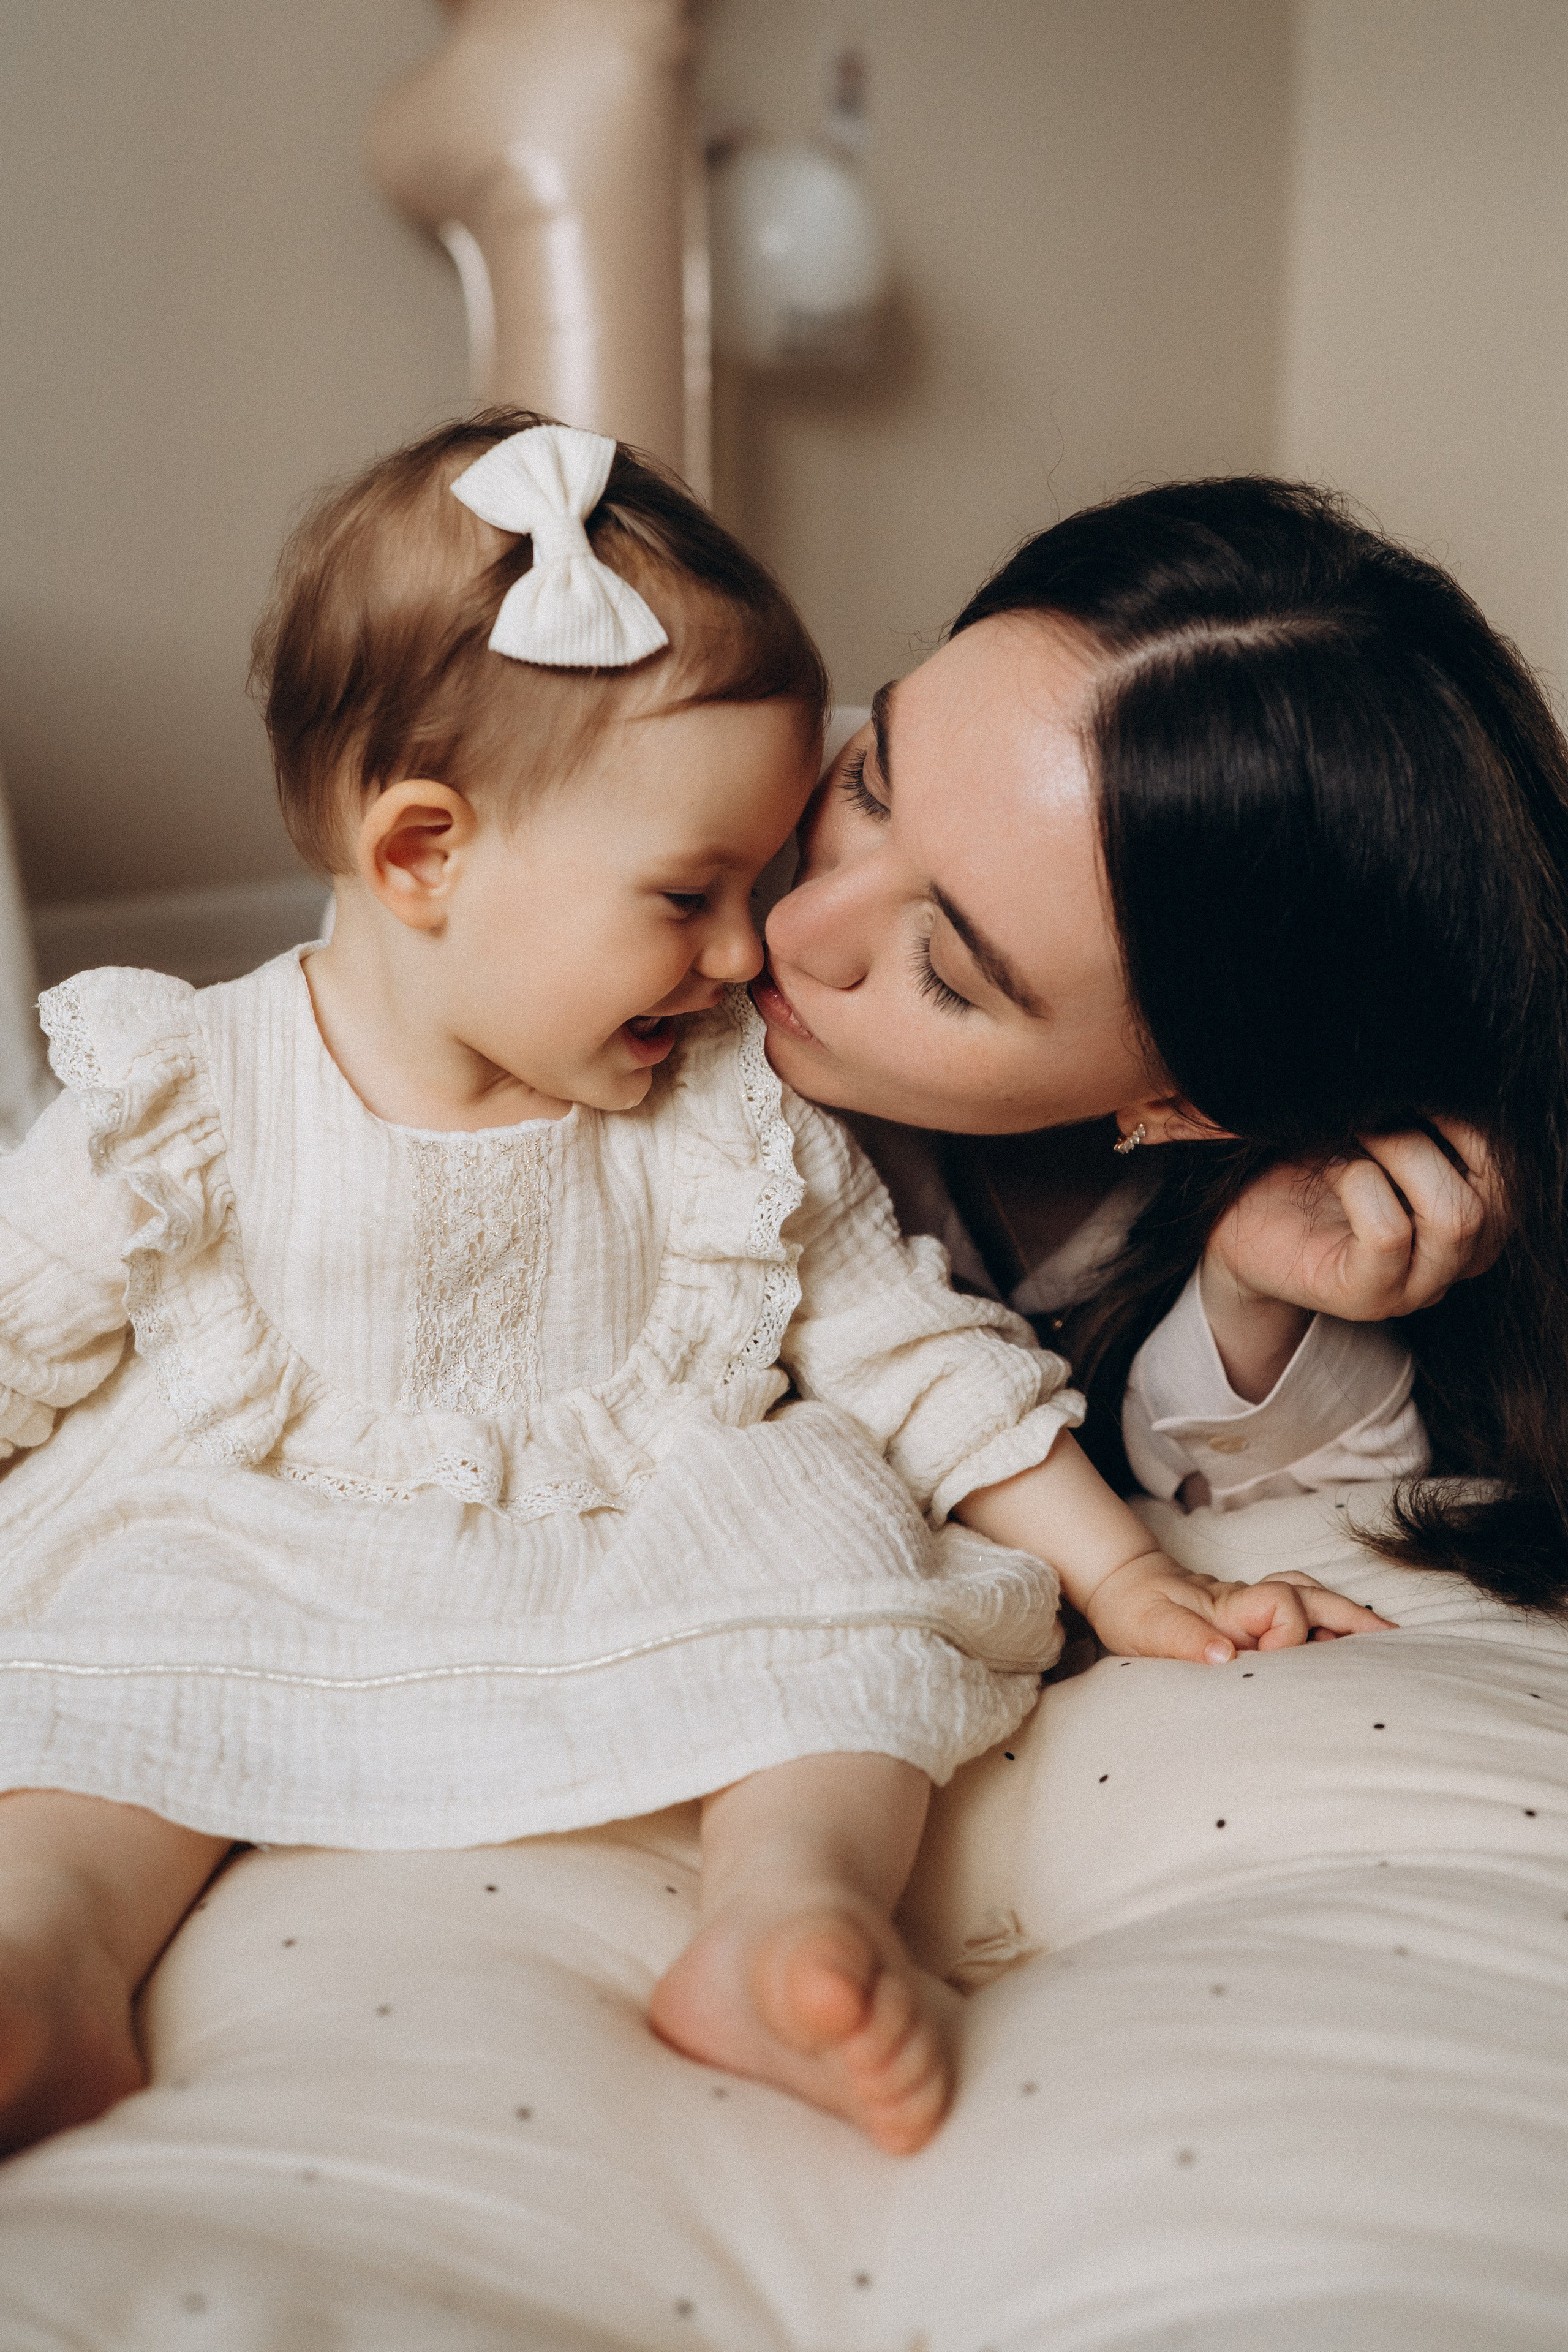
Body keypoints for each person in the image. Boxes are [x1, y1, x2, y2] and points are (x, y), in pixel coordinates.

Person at [0, 418, 1381, 2166]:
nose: (752, 954)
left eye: (753, 873)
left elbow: (899, 1344)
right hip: (268, 1527)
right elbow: (16, 1313)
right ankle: (43, 1961)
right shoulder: (185, 1092)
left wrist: (1123, 1569)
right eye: (690, 896)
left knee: (841, 1589)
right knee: (112, 1672)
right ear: (423, 855)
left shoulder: (720, 1104)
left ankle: (788, 1918)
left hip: (639, 1514)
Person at [757, 474, 1550, 1607]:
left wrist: (1250, 1309)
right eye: (871, 783)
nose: (792, 924)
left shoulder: (1261, 1166)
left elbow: (1284, 1531)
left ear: (1191, 1105)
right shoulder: (674, 829)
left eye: (947, 969)